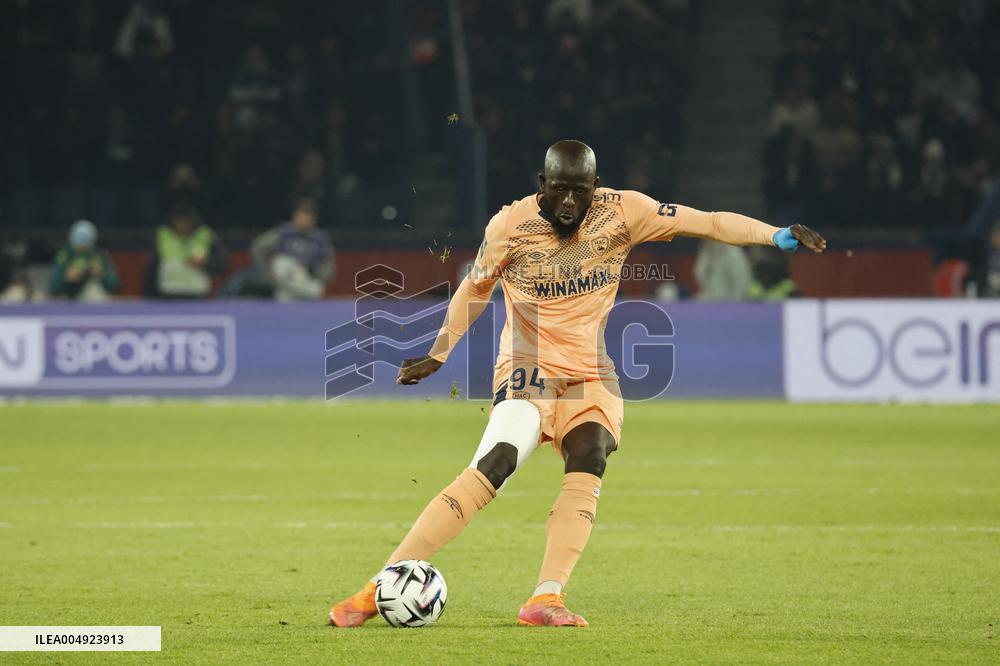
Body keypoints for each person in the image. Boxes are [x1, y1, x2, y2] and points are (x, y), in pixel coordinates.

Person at [329, 140, 826, 628]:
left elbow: (709, 221)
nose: (570, 202)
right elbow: (474, 288)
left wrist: (776, 235)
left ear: (596, 187)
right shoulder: (509, 225)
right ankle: (378, 587)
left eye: (581, 191)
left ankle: (546, 597)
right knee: (498, 461)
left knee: (591, 453)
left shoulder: (625, 211)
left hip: (591, 371)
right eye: (560, 190)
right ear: (542, 185)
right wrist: (439, 353)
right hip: (527, 367)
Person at [249, 197, 333, 300]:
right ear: (295, 216)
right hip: (285, 279)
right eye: (303, 214)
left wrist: (318, 275)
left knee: (316, 290)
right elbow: (257, 247)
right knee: (282, 263)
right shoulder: (284, 233)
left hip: (306, 279)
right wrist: (268, 273)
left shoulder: (320, 238)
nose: (306, 219)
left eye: (310, 215)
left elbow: (327, 265)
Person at [143, 203, 228, 299]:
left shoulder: (206, 235)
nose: (183, 225)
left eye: (187, 222)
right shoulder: (162, 236)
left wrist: (205, 264)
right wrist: (150, 297)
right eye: (179, 221)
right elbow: (150, 268)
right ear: (173, 221)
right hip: (167, 296)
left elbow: (223, 266)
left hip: (199, 296)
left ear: (194, 221)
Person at [48, 220, 120, 302]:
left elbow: (114, 284)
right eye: (80, 241)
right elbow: (53, 287)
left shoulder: (99, 254)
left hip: (91, 300)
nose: (83, 246)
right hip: (67, 299)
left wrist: (102, 274)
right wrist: (66, 278)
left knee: (93, 290)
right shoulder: (65, 254)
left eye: (86, 242)